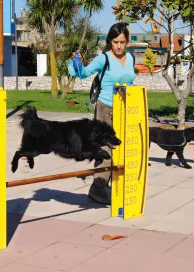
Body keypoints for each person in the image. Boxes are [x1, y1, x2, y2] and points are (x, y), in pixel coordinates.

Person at [67, 22, 135, 205]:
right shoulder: (103, 59)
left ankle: (109, 182)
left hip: (125, 110)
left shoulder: (130, 58)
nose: (119, 46)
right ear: (109, 42)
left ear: (127, 42)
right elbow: (83, 73)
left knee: (123, 149)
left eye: (122, 42)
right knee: (106, 151)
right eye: (115, 42)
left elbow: (130, 81)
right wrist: (76, 62)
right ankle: (96, 189)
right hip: (105, 109)